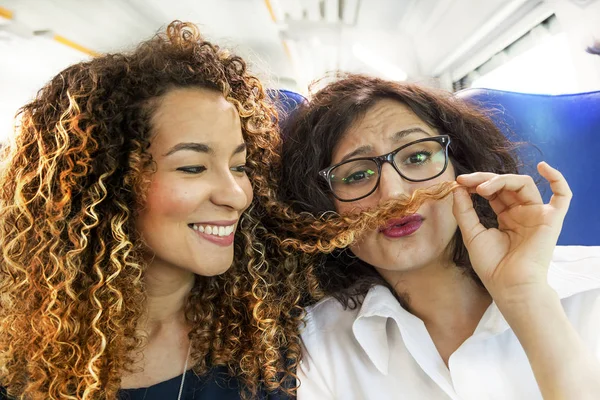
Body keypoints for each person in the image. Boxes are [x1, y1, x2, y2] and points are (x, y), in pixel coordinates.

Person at [0, 21, 304, 400]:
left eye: (240, 167)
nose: (237, 196)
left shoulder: (273, 343)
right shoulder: (13, 358)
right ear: (109, 183)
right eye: (193, 167)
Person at [277, 74, 600, 399]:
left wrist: (527, 298)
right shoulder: (319, 343)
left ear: (461, 168)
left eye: (417, 157)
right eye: (358, 175)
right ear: (324, 209)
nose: (393, 195)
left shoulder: (592, 285)